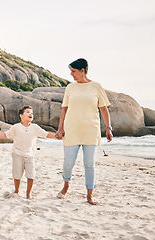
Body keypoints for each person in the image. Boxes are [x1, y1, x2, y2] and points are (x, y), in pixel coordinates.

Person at [55, 58, 113, 205]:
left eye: (73, 71)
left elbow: (104, 109)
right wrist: (60, 127)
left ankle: (89, 196)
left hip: (90, 130)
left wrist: (108, 127)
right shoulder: (70, 87)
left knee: (89, 164)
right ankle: (66, 185)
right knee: (68, 163)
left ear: (83, 70)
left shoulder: (96, 86)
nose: (71, 74)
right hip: (72, 130)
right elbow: (64, 109)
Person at [0, 106, 56, 199]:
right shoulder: (16, 127)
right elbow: (6, 134)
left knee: (31, 175)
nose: (30, 114)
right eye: (27, 112)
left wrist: (57, 136)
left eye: (31, 113)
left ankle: (28, 193)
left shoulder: (35, 127)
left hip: (29, 155)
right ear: (21, 116)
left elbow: (46, 134)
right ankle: (17, 190)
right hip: (17, 154)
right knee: (17, 174)